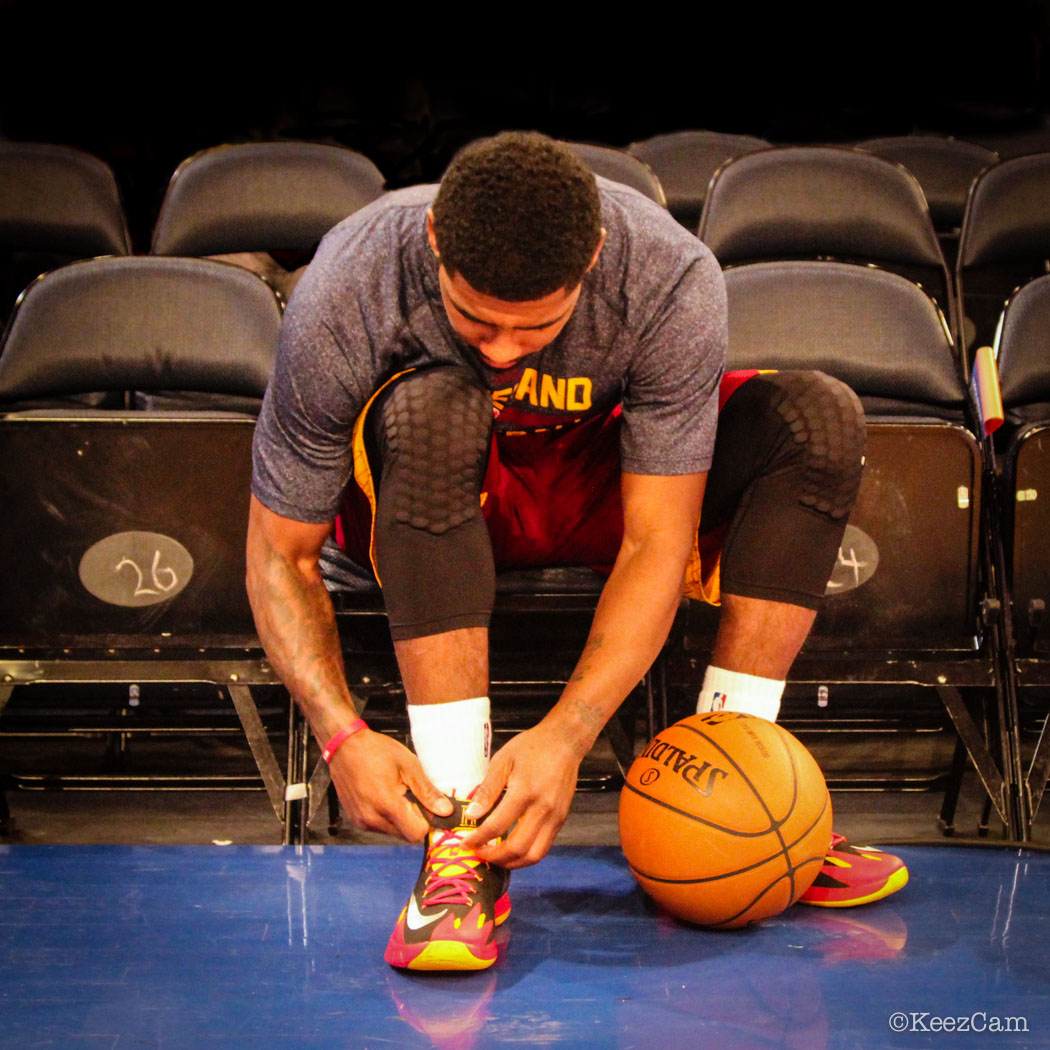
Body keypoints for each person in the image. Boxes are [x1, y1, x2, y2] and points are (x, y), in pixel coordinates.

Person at [246, 131, 908, 973]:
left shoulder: (667, 275)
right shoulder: (352, 281)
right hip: (426, 489)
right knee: (438, 406)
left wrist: (566, 736)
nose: (500, 350)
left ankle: (738, 794)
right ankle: (461, 847)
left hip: (595, 487)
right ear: (437, 243)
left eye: (535, 327)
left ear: (593, 258)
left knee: (818, 419)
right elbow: (277, 553)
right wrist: (340, 736)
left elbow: (655, 540)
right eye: (475, 318)